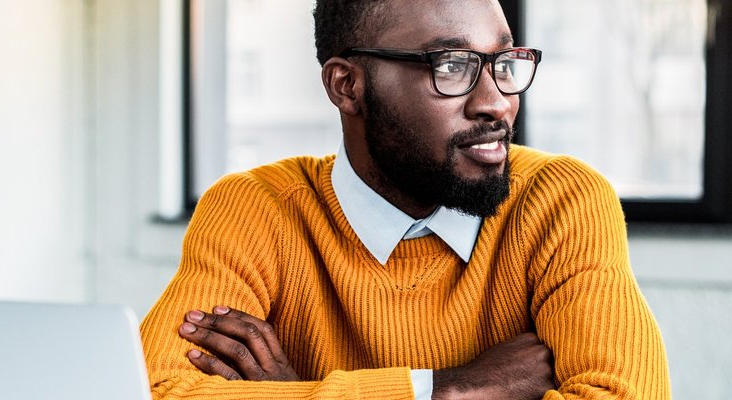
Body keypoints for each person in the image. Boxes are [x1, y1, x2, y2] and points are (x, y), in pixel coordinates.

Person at [139, 0, 671, 398]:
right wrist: (446, 389)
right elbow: (153, 389)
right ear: (347, 86)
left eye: (503, 62)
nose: (497, 102)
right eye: (451, 66)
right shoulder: (256, 209)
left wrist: (298, 390)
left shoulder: (561, 202)